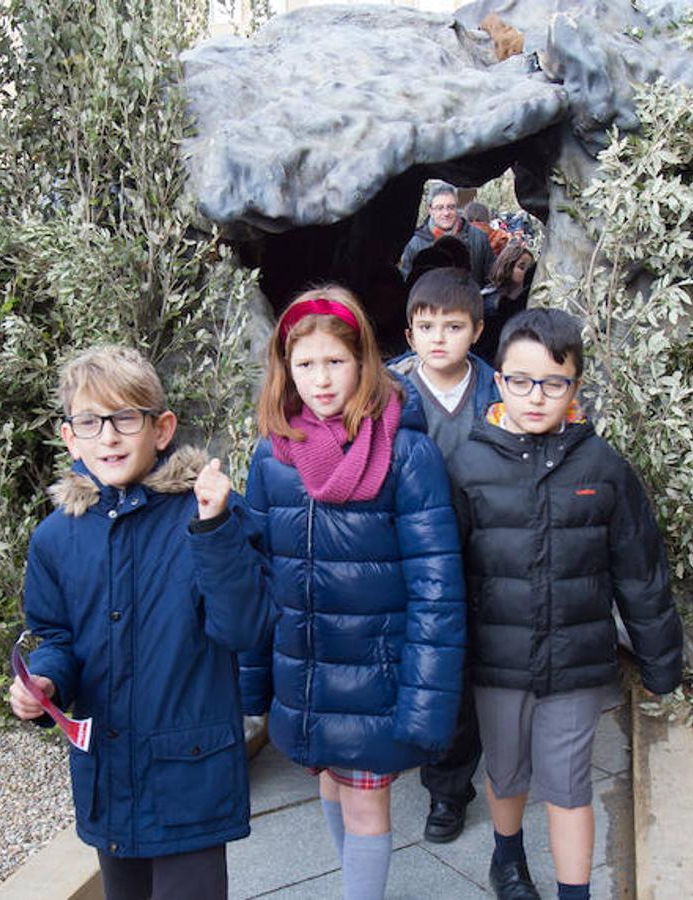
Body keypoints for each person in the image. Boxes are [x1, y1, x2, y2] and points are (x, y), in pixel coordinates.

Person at [9, 345, 270, 900]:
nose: (109, 436)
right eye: (91, 421)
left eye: (126, 418)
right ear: (70, 437)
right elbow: (56, 636)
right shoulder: (57, 537)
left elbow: (244, 628)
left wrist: (216, 529)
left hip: (189, 774)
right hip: (109, 771)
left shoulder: (207, 510)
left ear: (161, 428)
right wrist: (46, 682)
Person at [447, 309, 685, 900]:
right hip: (496, 660)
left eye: (554, 382)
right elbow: (443, 573)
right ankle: (508, 860)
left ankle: (574, 892)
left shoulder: (602, 467)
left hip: (577, 661)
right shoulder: (467, 465)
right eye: (521, 381)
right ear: (497, 381)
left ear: (575, 386)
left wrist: (660, 661)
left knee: (569, 783)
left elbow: (640, 568)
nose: (536, 396)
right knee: (505, 773)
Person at [241, 286, 466, 900]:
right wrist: (254, 678)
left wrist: (426, 701)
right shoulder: (273, 454)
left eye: (334, 362)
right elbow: (259, 575)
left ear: (364, 361)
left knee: (368, 806)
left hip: (377, 677)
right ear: (285, 368)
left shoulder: (407, 454)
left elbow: (437, 592)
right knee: (330, 785)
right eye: (305, 363)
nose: (320, 379)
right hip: (308, 673)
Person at [385, 267, 501, 843]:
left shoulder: (501, 391)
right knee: (433, 669)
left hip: (488, 552)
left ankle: (466, 783)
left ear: (477, 330)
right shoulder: (388, 392)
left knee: (476, 668)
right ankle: (438, 777)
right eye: (426, 326)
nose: (439, 338)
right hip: (416, 555)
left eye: (453, 326)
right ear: (409, 334)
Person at [399, 181, 496, 283]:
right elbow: (408, 284)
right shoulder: (414, 244)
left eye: (451, 207)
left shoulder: (479, 238)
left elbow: (491, 280)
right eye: (440, 208)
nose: (446, 213)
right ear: (430, 210)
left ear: (457, 207)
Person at [475, 241, 537, 365]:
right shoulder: (490, 299)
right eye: (521, 267)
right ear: (508, 266)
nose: (525, 272)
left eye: (528, 269)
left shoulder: (529, 299)